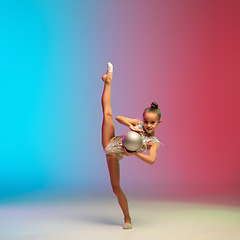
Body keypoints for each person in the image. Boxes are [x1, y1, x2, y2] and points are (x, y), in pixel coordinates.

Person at [101, 62, 162, 229]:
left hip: (113, 154)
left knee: (115, 188)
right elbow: (119, 117)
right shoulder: (139, 125)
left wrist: (135, 153)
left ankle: (127, 218)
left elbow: (151, 161)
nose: (148, 125)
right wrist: (130, 125)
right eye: (146, 121)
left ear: (158, 123)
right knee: (108, 113)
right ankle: (108, 80)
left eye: (152, 123)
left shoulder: (153, 143)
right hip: (111, 141)